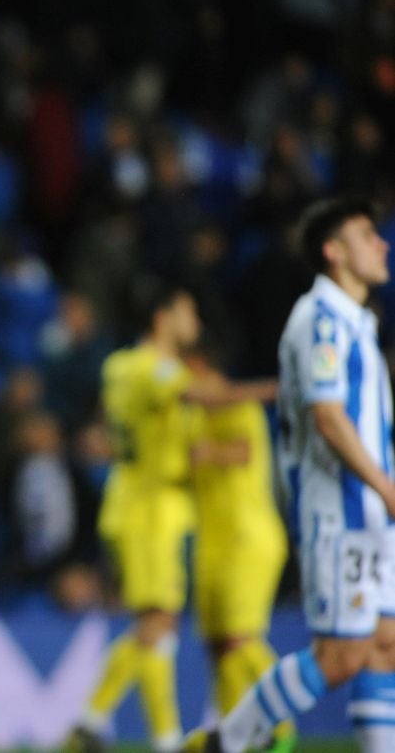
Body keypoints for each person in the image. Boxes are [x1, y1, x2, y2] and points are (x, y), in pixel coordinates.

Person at [187, 197, 395, 753]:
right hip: (339, 512)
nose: (382, 244)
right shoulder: (320, 319)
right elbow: (328, 418)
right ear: (333, 251)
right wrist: (386, 487)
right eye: (367, 235)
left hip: (372, 515)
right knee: (341, 655)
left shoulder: (358, 322)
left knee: (384, 647)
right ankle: (225, 743)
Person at [64, 282, 274, 753]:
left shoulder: (117, 365)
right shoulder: (153, 368)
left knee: (157, 626)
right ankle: (147, 735)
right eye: (187, 311)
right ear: (163, 318)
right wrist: (277, 387)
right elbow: (207, 397)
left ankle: (101, 723)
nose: (193, 322)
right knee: (157, 623)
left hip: (137, 502)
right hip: (150, 508)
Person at [183, 342, 292, 749]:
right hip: (212, 545)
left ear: (208, 368)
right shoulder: (193, 420)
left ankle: (282, 728)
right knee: (217, 648)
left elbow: (244, 451)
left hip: (249, 539)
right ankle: (238, 733)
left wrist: (210, 451)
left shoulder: (238, 409)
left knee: (240, 639)